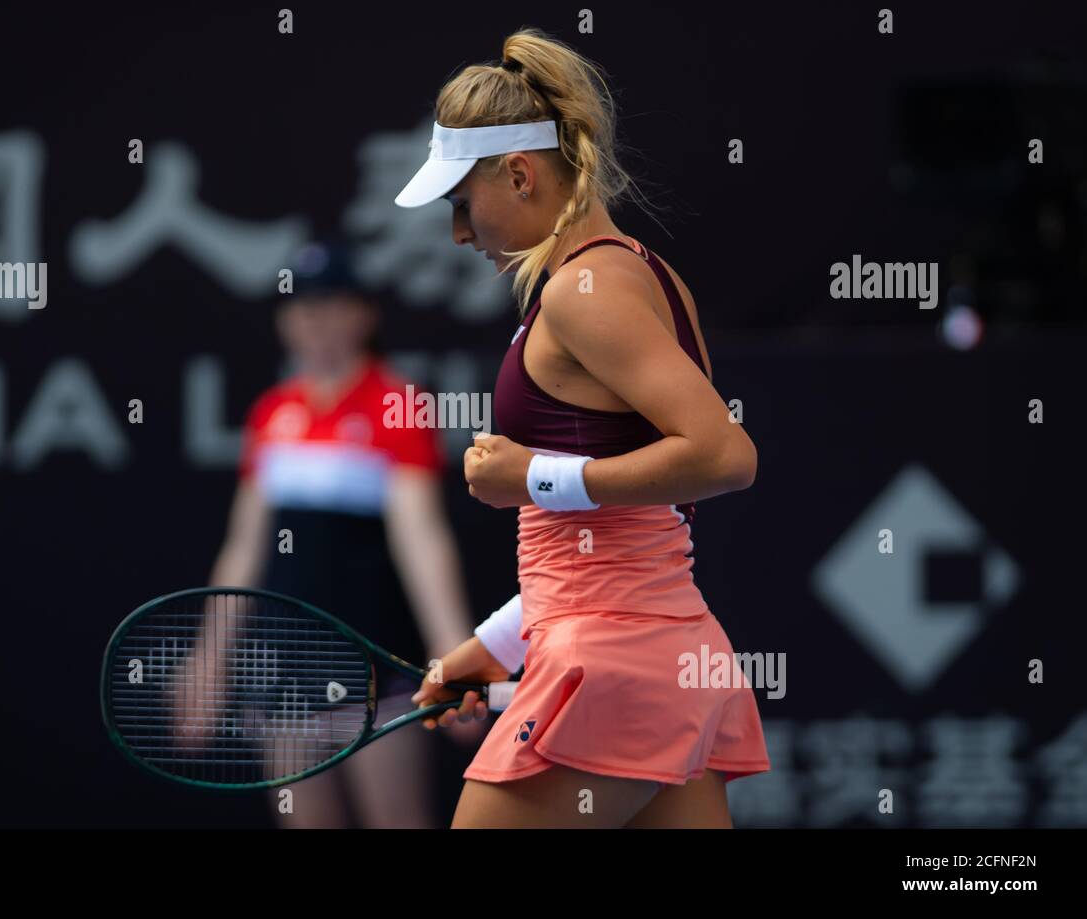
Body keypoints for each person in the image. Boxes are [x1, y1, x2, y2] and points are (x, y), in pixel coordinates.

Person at [403, 29, 771, 828]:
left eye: (461, 206)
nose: (460, 235)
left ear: (521, 174)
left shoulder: (584, 291)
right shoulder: (641, 273)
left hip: (612, 669)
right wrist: (498, 645)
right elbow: (629, 528)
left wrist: (530, 474)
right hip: (672, 656)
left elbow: (722, 455)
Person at [195, 239, 481, 828]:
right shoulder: (271, 414)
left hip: (376, 666)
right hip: (282, 670)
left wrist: (454, 656)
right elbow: (244, 549)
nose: (314, 321)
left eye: (330, 305)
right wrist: (208, 662)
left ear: (363, 314)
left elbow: (421, 538)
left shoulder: (399, 405)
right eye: (300, 308)